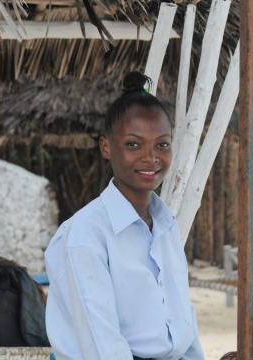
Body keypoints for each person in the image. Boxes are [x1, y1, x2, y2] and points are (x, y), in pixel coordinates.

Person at [44, 71, 205, 360]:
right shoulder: (85, 235)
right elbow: (102, 345)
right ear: (106, 146)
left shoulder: (165, 226)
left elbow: (183, 324)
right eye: (133, 144)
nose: (150, 157)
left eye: (162, 144)